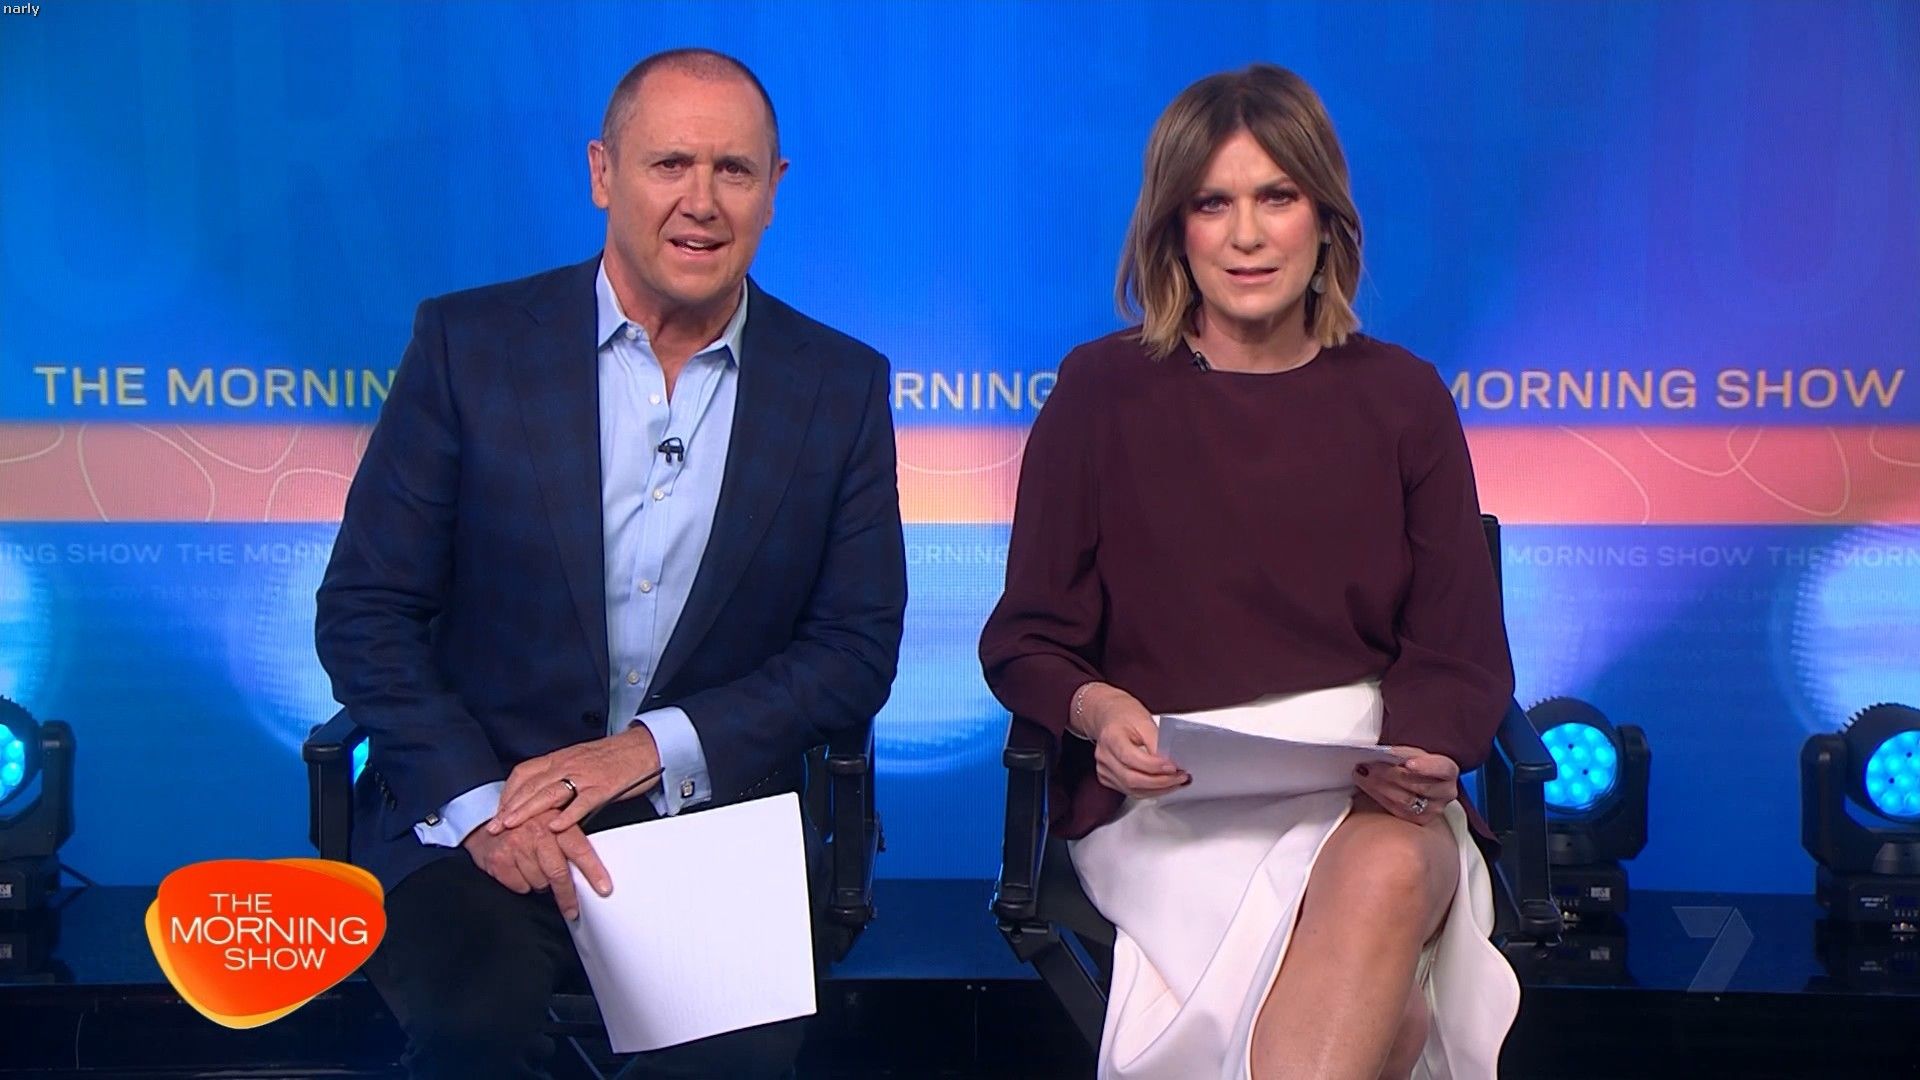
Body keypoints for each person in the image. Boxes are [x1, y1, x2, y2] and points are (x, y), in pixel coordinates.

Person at [315, 47, 906, 1080]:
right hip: (477, 820)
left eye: (733, 170)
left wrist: (645, 750)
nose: (701, 201)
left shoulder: (838, 385)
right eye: (670, 163)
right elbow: (366, 612)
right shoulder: (468, 346)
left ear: (774, 189)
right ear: (602, 173)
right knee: (474, 1031)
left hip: (708, 835)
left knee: (731, 1060)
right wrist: (484, 807)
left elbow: (853, 652)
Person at [979, 64, 1519, 1080]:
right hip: (1172, 805)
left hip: (1366, 789)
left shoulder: (1403, 398)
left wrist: (1427, 753)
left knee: (1388, 870)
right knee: (1383, 1020)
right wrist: (1099, 711)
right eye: (1212, 203)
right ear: (1173, 229)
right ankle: (1388, 1030)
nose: (1246, 236)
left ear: (1325, 219)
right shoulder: (1100, 392)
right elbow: (1026, 638)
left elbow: (1457, 649)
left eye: (1277, 197)